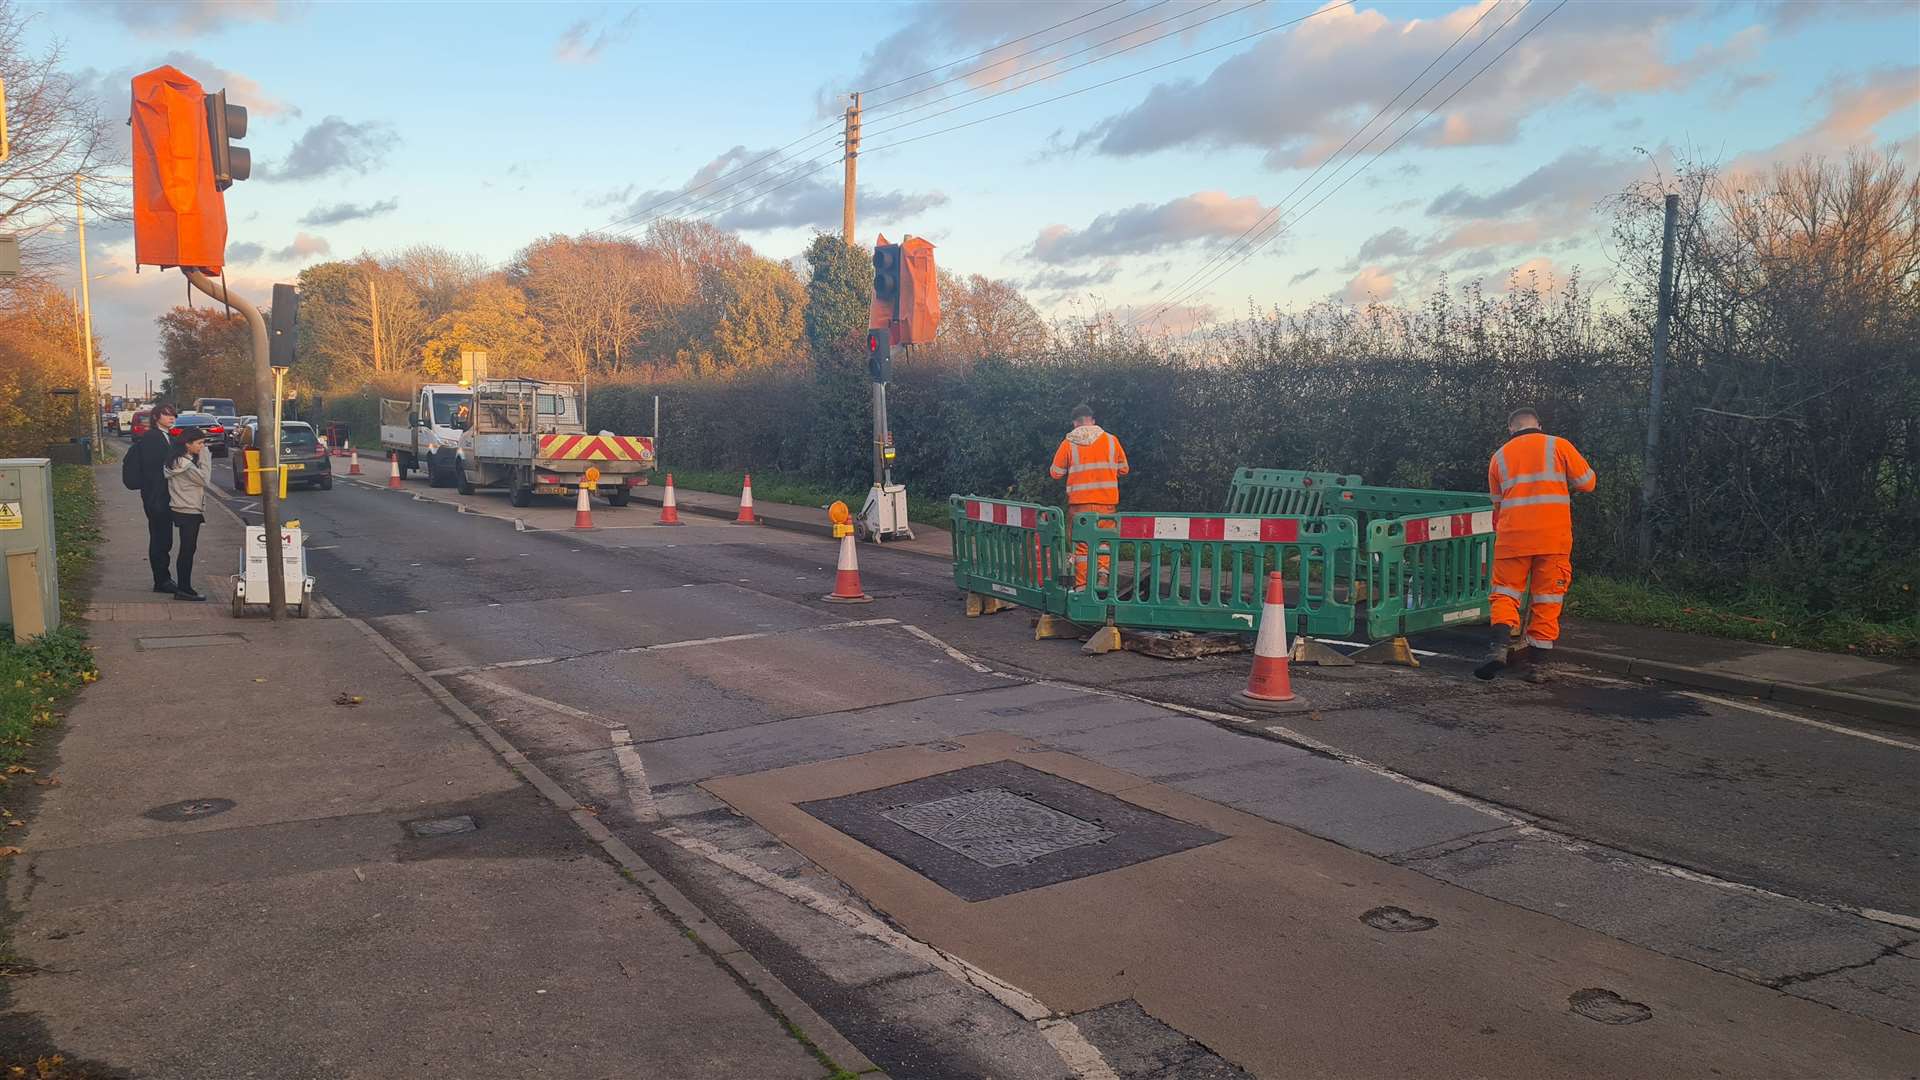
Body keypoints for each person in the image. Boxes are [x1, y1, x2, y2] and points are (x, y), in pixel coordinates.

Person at [1477, 407, 1596, 681]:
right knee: (1547, 599)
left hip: (1513, 537)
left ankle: (1498, 649)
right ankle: (1535, 666)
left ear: (1511, 428)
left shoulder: (1498, 458)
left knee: (1505, 595)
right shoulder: (1559, 445)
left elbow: (1497, 505)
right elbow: (1588, 483)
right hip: (1552, 538)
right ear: (1539, 425)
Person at [1049, 404, 1129, 589]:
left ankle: (1082, 586)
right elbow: (1124, 469)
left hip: (1080, 505)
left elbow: (1055, 473)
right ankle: (1102, 576)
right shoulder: (1111, 440)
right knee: (1103, 541)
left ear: (1075, 423)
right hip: (1106, 502)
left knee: (1082, 546)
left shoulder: (1069, 442)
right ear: (1093, 420)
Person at [163, 429, 213, 602]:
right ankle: (184, 588)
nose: (202, 446)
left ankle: (185, 587)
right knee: (187, 551)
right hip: (188, 509)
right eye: (199, 443)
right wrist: (206, 456)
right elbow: (205, 479)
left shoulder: (177, 461)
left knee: (187, 550)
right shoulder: (186, 465)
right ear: (187, 444)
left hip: (181, 506)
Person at [136, 402, 179, 593]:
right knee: (160, 538)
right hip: (156, 496)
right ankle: (161, 580)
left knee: (165, 538)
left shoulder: (166, 436)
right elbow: (153, 469)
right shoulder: (152, 438)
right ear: (156, 417)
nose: (172, 418)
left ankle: (163, 578)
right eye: (167, 415)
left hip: (164, 496)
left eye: (173, 415)